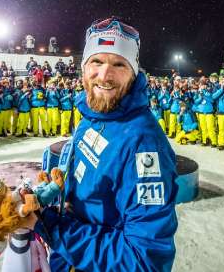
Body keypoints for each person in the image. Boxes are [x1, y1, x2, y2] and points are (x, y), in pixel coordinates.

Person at [34, 17, 178, 271]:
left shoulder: (143, 144)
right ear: (83, 67)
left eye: (119, 64)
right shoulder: (93, 113)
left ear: (133, 74)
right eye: (97, 61)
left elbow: (143, 261)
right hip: (66, 258)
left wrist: (52, 226)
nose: (105, 75)